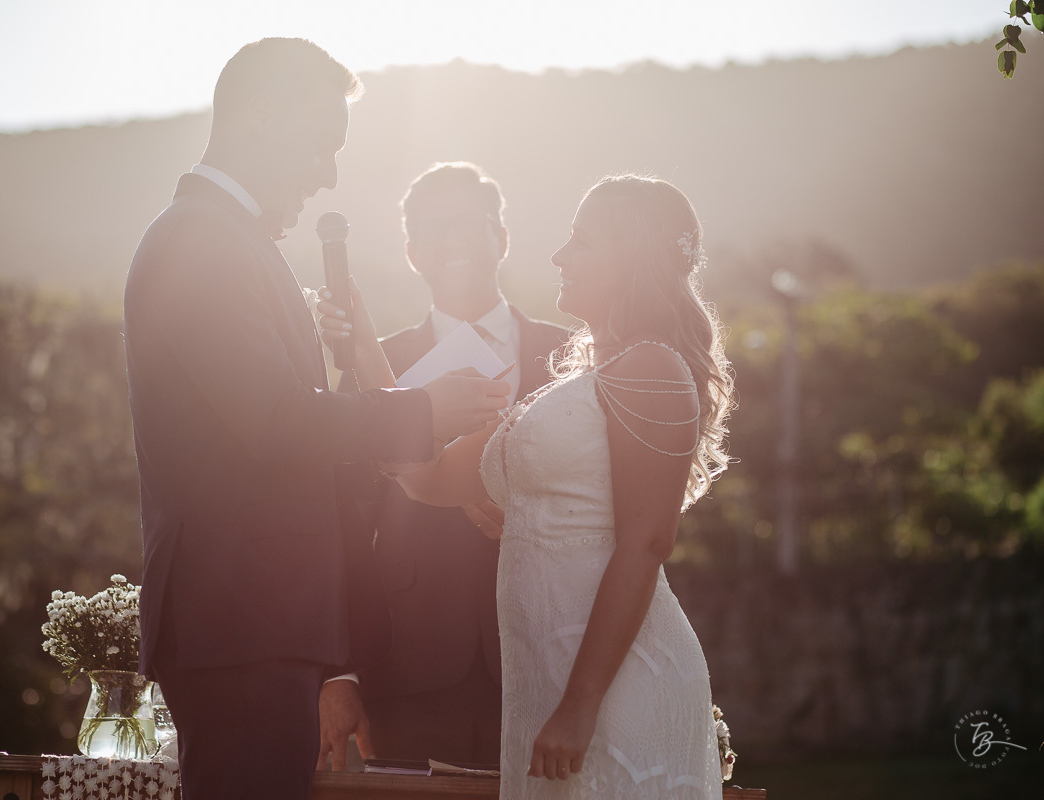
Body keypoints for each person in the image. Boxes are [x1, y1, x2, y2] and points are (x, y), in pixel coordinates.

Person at [122, 39, 510, 800]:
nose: (329, 174)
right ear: (262, 117)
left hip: (255, 622)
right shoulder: (201, 239)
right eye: (322, 146)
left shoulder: (227, 240)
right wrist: (421, 414)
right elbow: (274, 423)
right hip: (241, 619)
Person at [318, 175, 733, 798]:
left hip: (597, 684)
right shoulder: (579, 381)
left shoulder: (650, 367)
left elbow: (646, 543)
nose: (559, 256)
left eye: (581, 243)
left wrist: (580, 704)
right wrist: (362, 339)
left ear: (632, 260)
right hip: (535, 674)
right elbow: (426, 478)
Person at [317, 163, 569, 769]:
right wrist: (341, 672)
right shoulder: (379, 360)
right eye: (432, 230)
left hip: (551, 658)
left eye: (467, 224)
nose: (451, 241)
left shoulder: (568, 357)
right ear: (411, 252)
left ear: (501, 237)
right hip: (410, 666)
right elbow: (345, 518)